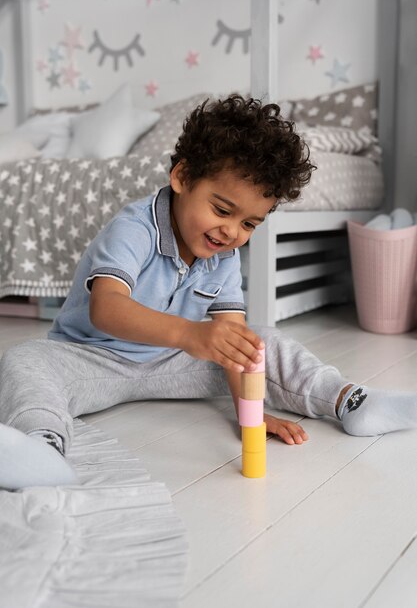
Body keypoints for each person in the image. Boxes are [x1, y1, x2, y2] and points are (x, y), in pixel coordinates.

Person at [1, 94, 416, 491]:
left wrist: (250, 415)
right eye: (222, 210)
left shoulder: (224, 253)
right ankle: (43, 449)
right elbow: (106, 309)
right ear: (182, 178)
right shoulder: (135, 227)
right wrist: (191, 334)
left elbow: (233, 341)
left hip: (170, 364)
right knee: (25, 359)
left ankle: (350, 401)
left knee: (259, 341)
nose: (232, 232)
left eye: (250, 224)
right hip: (90, 359)